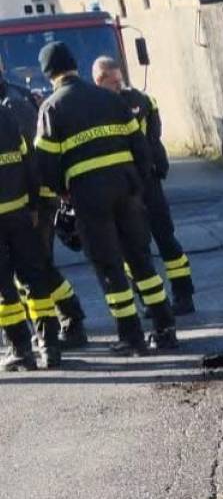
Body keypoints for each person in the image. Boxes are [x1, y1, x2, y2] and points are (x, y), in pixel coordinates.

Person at [34, 42, 178, 354]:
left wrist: (65, 192)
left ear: (49, 75)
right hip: (127, 190)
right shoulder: (109, 98)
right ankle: (165, 328)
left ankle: (131, 337)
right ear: (74, 64)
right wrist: (136, 183)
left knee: (110, 266)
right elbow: (139, 145)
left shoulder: (51, 108)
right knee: (141, 260)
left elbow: (45, 164)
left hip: (89, 198)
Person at [92, 56, 194, 315]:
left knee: (160, 239)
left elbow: (149, 138)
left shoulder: (128, 103)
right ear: (98, 80)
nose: (118, 86)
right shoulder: (114, 104)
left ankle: (179, 296)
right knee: (137, 247)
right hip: (133, 183)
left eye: (119, 80)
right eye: (113, 82)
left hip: (141, 183)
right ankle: (155, 300)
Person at [0, 72, 88, 347]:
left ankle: (69, 320)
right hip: (27, 200)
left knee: (37, 268)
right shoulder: (12, 98)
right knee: (32, 269)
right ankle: (49, 331)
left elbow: (29, 155)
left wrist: (36, 202)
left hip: (32, 199)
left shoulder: (12, 104)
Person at [0, 104, 61, 371]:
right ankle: (50, 347)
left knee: (4, 289)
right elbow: (30, 165)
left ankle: (21, 350)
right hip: (21, 215)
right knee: (34, 280)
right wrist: (34, 206)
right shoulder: (8, 118)